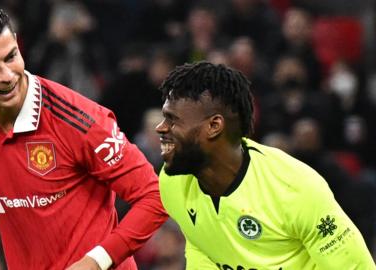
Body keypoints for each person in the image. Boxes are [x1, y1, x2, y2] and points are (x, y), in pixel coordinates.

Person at [0, 4, 167, 269]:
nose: (7, 75)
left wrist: (97, 260)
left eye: (10, 57)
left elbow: (154, 195)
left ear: (17, 44)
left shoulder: (79, 119)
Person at [156, 61, 375, 269]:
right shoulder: (172, 183)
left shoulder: (295, 189)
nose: (161, 128)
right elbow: (203, 251)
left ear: (214, 126)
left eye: (172, 119)